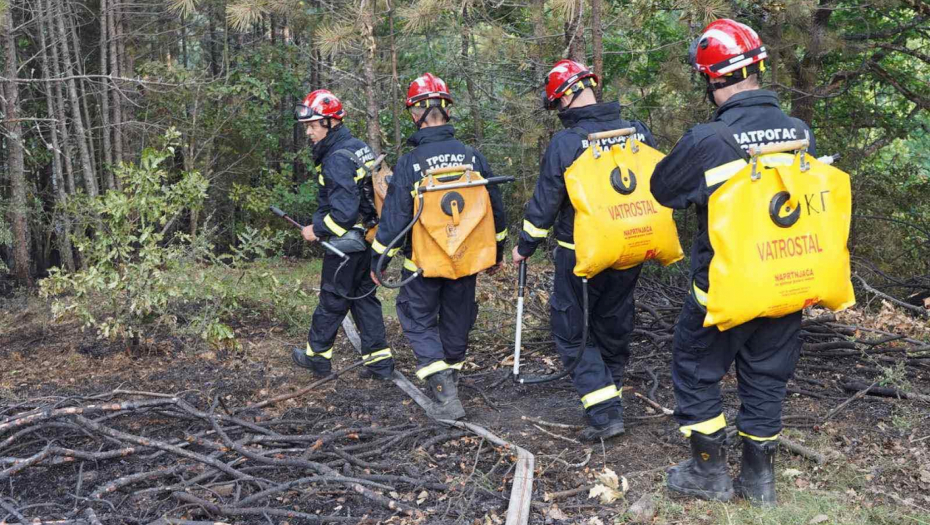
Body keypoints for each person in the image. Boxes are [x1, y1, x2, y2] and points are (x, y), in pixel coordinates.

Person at [651, 19, 816, 506]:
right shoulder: (798, 129)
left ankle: (708, 472)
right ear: (758, 68)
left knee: (696, 370)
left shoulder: (711, 138)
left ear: (711, 79)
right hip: (784, 280)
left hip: (723, 288)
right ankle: (759, 481)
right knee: (767, 375)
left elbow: (665, 190)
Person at [511, 60, 657, 442]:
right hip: (632, 244)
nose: (559, 112)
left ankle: (603, 412)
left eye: (557, 104)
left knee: (571, 328)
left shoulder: (567, 142)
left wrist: (525, 246)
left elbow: (545, 202)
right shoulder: (636, 131)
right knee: (613, 319)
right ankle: (613, 396)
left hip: (582, 252)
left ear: (565, 98)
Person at [370, 72, 508, 420]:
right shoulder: (471, 156)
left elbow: (396, 218)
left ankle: (444, 392)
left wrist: (378, 261)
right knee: (457, 320)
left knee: (416, 318)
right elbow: (496, 208)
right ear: (446, 109)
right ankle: (452, 382)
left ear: (415, 113)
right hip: (465, 261)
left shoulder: (410, 163)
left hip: (424, 264)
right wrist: (497, 253)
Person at [290, 89, 395, 381]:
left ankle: (317, 358)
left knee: (332, 299)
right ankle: (380, 364)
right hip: (370, 240)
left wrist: (316, 230)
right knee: (363, 299)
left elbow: (344, 214)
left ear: (331, 122)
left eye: (313, 125)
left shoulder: (336, 158)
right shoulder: (357, 146)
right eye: (307, 126)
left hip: (346, 246)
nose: (309, 132)